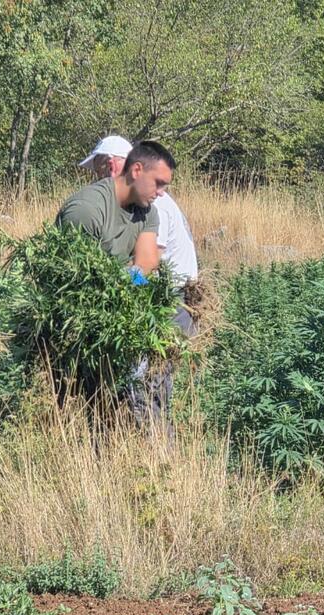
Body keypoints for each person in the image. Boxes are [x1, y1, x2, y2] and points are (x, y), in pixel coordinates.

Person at [74, 136, 196, 433]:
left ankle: (155, 461)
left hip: (160, 304)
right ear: (137, 170)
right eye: (159, 183)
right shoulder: (87, 209)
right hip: (91, 315)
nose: (162, 192)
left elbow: (147, 264)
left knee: (146, 390)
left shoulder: (150, 210)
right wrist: (124, 278)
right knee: (103, 397)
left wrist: (124, 278)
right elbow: (78, 276)